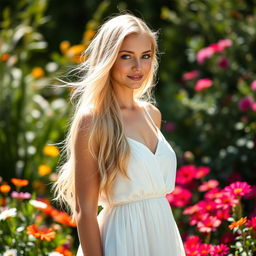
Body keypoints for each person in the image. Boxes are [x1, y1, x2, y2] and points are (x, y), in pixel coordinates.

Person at [52, 13, 186, 256]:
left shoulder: (151, 114)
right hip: (123, 239)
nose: (138, 67)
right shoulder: (93, 121)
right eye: (126, 57)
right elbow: (84, 210)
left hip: (163, 236)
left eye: (145, 56)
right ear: (108, 59)